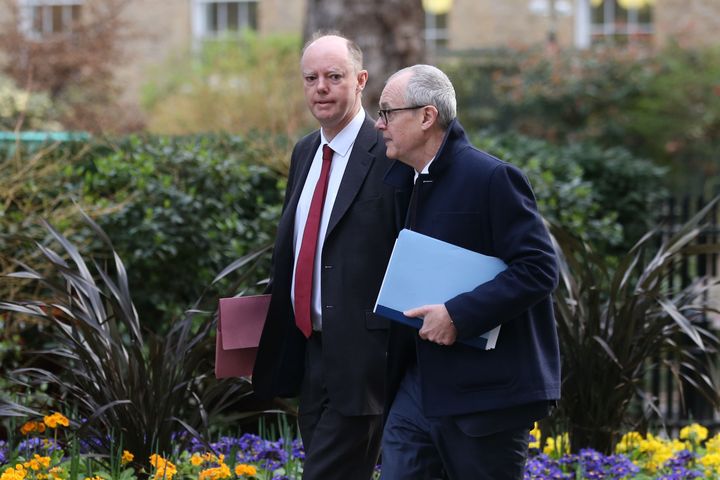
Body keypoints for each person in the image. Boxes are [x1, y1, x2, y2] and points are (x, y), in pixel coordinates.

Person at [376, 64, 561, 479]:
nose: (378, 124)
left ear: (426, 117)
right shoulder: (403, 183)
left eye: (387, 112)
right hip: (417, 388)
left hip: (487, 398)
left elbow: (539, 268)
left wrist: (458, 316)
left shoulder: (492, 178)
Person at [251, 33, 413, 480]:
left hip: (365, 360)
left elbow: (409, 249)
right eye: (311, 78)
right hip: (310, 352)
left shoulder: (389, 153)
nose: (320, 87)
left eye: (334, 76)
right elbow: (300, 248)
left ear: (360, 81)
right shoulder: (305, 151)